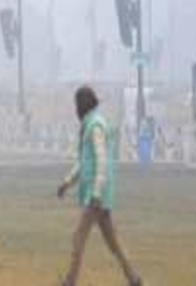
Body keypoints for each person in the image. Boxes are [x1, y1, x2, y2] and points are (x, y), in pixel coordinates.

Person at [56, 85, 142, 286]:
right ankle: (133, 278)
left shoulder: (95, 126)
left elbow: (101, 161)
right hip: (99, 196)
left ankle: (70, 282)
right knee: (114, 243)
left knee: (78, 238)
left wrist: (95, 193)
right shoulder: (91, 124)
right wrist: (67, 183)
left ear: (82, 105)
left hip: (95, 197)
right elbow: (84, 161)